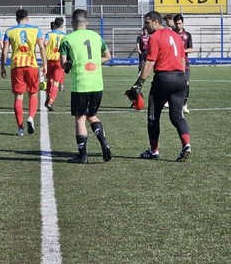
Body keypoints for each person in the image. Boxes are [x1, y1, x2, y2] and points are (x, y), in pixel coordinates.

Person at [127, 10, 191, 162]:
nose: (145, 25)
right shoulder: (176, 35)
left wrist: (138, 84)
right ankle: (187, 145)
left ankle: (154, 150)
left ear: (156, 22)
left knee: (153, 117)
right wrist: (182, 78)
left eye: (147, 22)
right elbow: (182, 59)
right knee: (177, 116)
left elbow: (150, 62)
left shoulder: (154, 37)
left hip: (163, 79)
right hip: (180, 78)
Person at [59, 9, 112, 164]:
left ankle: (82, 155)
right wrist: (94, 63)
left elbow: (63, 64)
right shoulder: (96, 36)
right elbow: (108, 57)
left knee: (80, 119)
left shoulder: (67, 39)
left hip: (80, 84)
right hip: (97, 83)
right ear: (86, 22)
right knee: (92, 115)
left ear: (72, 23)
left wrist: (71, 65)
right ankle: (104, 142)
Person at [1, 9, 47, 136]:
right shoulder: (36, 29)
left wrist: (3, 66)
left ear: (16, 19)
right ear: (27, 18)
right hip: (31, 65)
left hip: (16, 66)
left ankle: (20, 128)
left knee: (18, 97)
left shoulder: (9, 31)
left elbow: (5, 51)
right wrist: (45, 64)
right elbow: (42, 47)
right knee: (33, 94)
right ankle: (31, 117)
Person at [43, 17, 66, 111]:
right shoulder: (64, 36)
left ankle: (48, 94)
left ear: (54, 24)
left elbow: (44, 43)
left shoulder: (49, 34)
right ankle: (51, 101)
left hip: (49, 60)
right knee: (56, 82)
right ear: (62, 25)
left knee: (50, 79)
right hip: (59, 60)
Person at [173, 14, 193, 114]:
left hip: (185, 64)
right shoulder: (171, 34)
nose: (178, 25)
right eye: (176, 23)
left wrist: (181, 50)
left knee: (186, 84)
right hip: (173, 64)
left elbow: (191, 49)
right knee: (172, 84)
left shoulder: (187, 35)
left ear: (183, 23)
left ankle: (185, 104)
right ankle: (171, 102)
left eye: (179, 23)